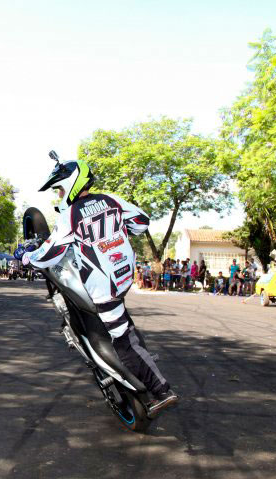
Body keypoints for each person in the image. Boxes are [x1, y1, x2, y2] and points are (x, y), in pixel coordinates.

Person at [22, 158, 178, 415]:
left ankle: (159, 390)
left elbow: (52, 252)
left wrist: (28, 257)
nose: (59, 195)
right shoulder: (111, 199)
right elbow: (141, 222)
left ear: (69, 185)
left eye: (59, 189)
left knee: (122, 340)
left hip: (101, 286)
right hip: (123, 277)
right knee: (124, 326)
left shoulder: (71, 215)